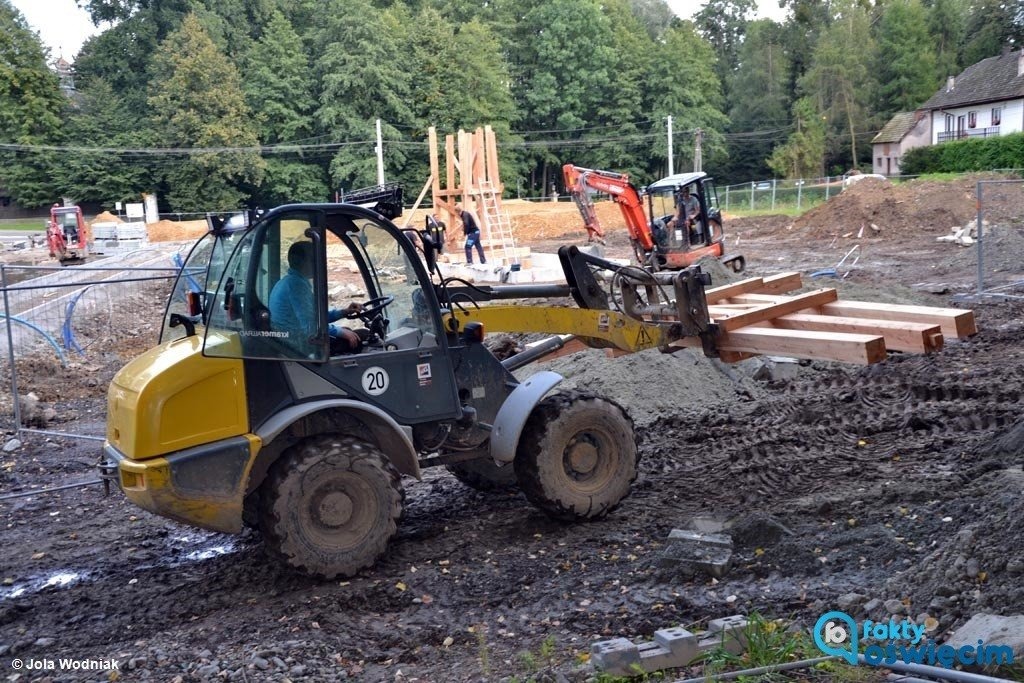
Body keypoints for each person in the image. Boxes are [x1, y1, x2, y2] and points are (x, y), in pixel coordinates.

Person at [269, 240, 364, 354]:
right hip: (296, 343)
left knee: (348, 332)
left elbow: (316, 318)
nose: (318, 264)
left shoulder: (289, 281)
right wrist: (339, 331)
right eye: (314, 260)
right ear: (301, 262)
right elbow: (310, 328)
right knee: (360, 337)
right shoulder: (296, 285)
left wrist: (344, 312)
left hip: (292, 338)